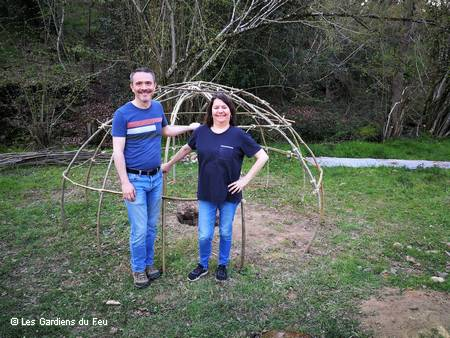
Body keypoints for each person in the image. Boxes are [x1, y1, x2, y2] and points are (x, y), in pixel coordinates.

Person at [162, 93, 268, 281]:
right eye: (216, 107)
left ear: (230, 111)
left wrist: (245, 180)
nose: (220, 110)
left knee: (226, 232)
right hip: (206, 192)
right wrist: (169, 164)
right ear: (211, 111)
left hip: (230, 193)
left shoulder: (238, 135)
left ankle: (222, 265)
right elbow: (186, 149)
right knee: (204, 234)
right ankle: (202, 265)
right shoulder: (201, 132)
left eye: (224, 107)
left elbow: (263, 157)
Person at [112, 67, 199, 289]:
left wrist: (189, 127)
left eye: (148, 84)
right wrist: (124, 182)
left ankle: (149, 263)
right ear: (132, 87)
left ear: (154, 86)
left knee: (151, 226)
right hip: (135, 180)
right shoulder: (122, 114)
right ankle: (138, 268)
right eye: (139, 84)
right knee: (139, 229)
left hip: (155, 177)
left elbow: (165, 130)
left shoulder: (157, 107)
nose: (144, 88)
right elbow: (117, 152)